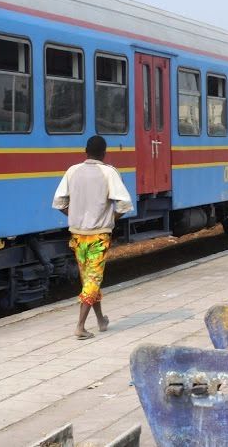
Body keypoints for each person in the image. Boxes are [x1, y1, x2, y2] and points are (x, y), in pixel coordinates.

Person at [52, 135, 134, 339]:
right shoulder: (109, 172)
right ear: (104, 153)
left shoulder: (72, 171)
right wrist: (110, 219)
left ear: (85, 152)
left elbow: (59, 202)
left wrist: (74, 215)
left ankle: (100, 320)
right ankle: (80, 327)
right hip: (98, 236)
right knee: (93, 280)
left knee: (89, 280)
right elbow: (124, 204)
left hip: (77, 236)